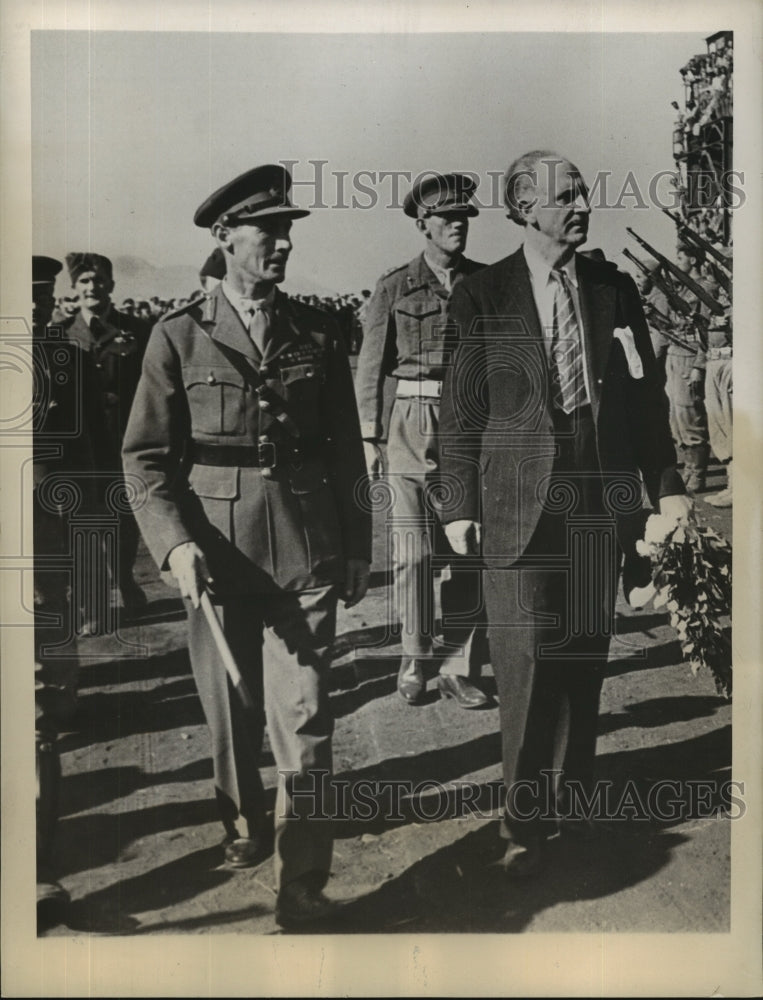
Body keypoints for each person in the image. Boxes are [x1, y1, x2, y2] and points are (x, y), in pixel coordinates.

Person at [122, 163, 371, 928]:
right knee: (231, 711)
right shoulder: (177, 335)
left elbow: (344, 449)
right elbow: (144, 459)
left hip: (305, 547)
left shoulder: (317, 331)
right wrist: (173, 547)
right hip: (216, 553)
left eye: (288, 231)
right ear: (226, 237)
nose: (282, 244)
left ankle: (303, 880)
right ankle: (242, 817)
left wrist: (356, 545)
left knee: (307, 717)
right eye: (268, 231)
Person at [438, 151, 692, 877]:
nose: (582, 204)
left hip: (596, 496)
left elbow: (643, 400)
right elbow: (459, 414)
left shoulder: (613, 288)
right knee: (524, 663)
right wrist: (457, 504)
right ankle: (522, 822)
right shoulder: (482, 294)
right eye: (565, 195)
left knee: (583, 655)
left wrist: (667, 487)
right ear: (524, 208)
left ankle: (573, 805)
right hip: (514, 502)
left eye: (583, 191)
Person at [354, 173, 490, 709]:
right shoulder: (395, 286)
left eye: (464, 217)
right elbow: (371, 364)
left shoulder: (485, 282)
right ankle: (414, 657)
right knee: (412, 552)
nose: (459, 225)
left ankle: (459, 666)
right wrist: (369, 435)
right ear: (423, 225)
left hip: (471, 424)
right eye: (448, 218)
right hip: (410, 423)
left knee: (467, 549)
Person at [32, 256, 104, 925]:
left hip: (46, 515)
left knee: (49, 630)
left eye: (37, 299)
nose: (30, 310)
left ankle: (35, 867)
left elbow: (84, 444)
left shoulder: (65, 359)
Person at [61, 252, 151, 618]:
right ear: (73, 287)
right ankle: (93, 598)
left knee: (124, 517)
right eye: (84, 281)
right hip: (82, 447)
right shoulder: (62, 333)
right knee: (83, 520)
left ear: (111, 285)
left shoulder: (138, 330)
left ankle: (125, 578)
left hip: (123, 442)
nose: (92, 287)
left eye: (98, 280)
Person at [664, 243, 712, 493]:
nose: (677, 261)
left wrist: (699, 366)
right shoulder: (680, 289)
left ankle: (698, 474)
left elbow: (707, 332)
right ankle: (690, 469)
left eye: (681, 257)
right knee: (676, 418)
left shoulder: (705, 288)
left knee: (690, 416)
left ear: (693, 260)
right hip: (674, 353)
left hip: (690, 355)